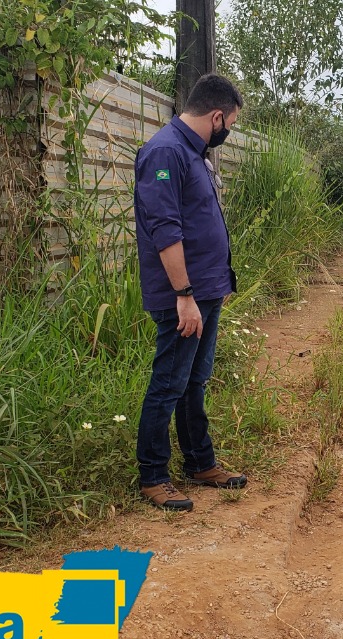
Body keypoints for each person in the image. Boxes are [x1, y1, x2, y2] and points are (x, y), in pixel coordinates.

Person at [132, 74, 248, 511]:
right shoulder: (165, 151)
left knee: (194, 381)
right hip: (182, 297)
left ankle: (200, 462)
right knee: (169, 383)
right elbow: (165, 230)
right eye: (230, 123)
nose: (228, 131)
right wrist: (183, 294)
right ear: (216, 116)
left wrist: (216, 285)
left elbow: (201, 224)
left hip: (206, 291)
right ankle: (153, 474)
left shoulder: (194, 153)